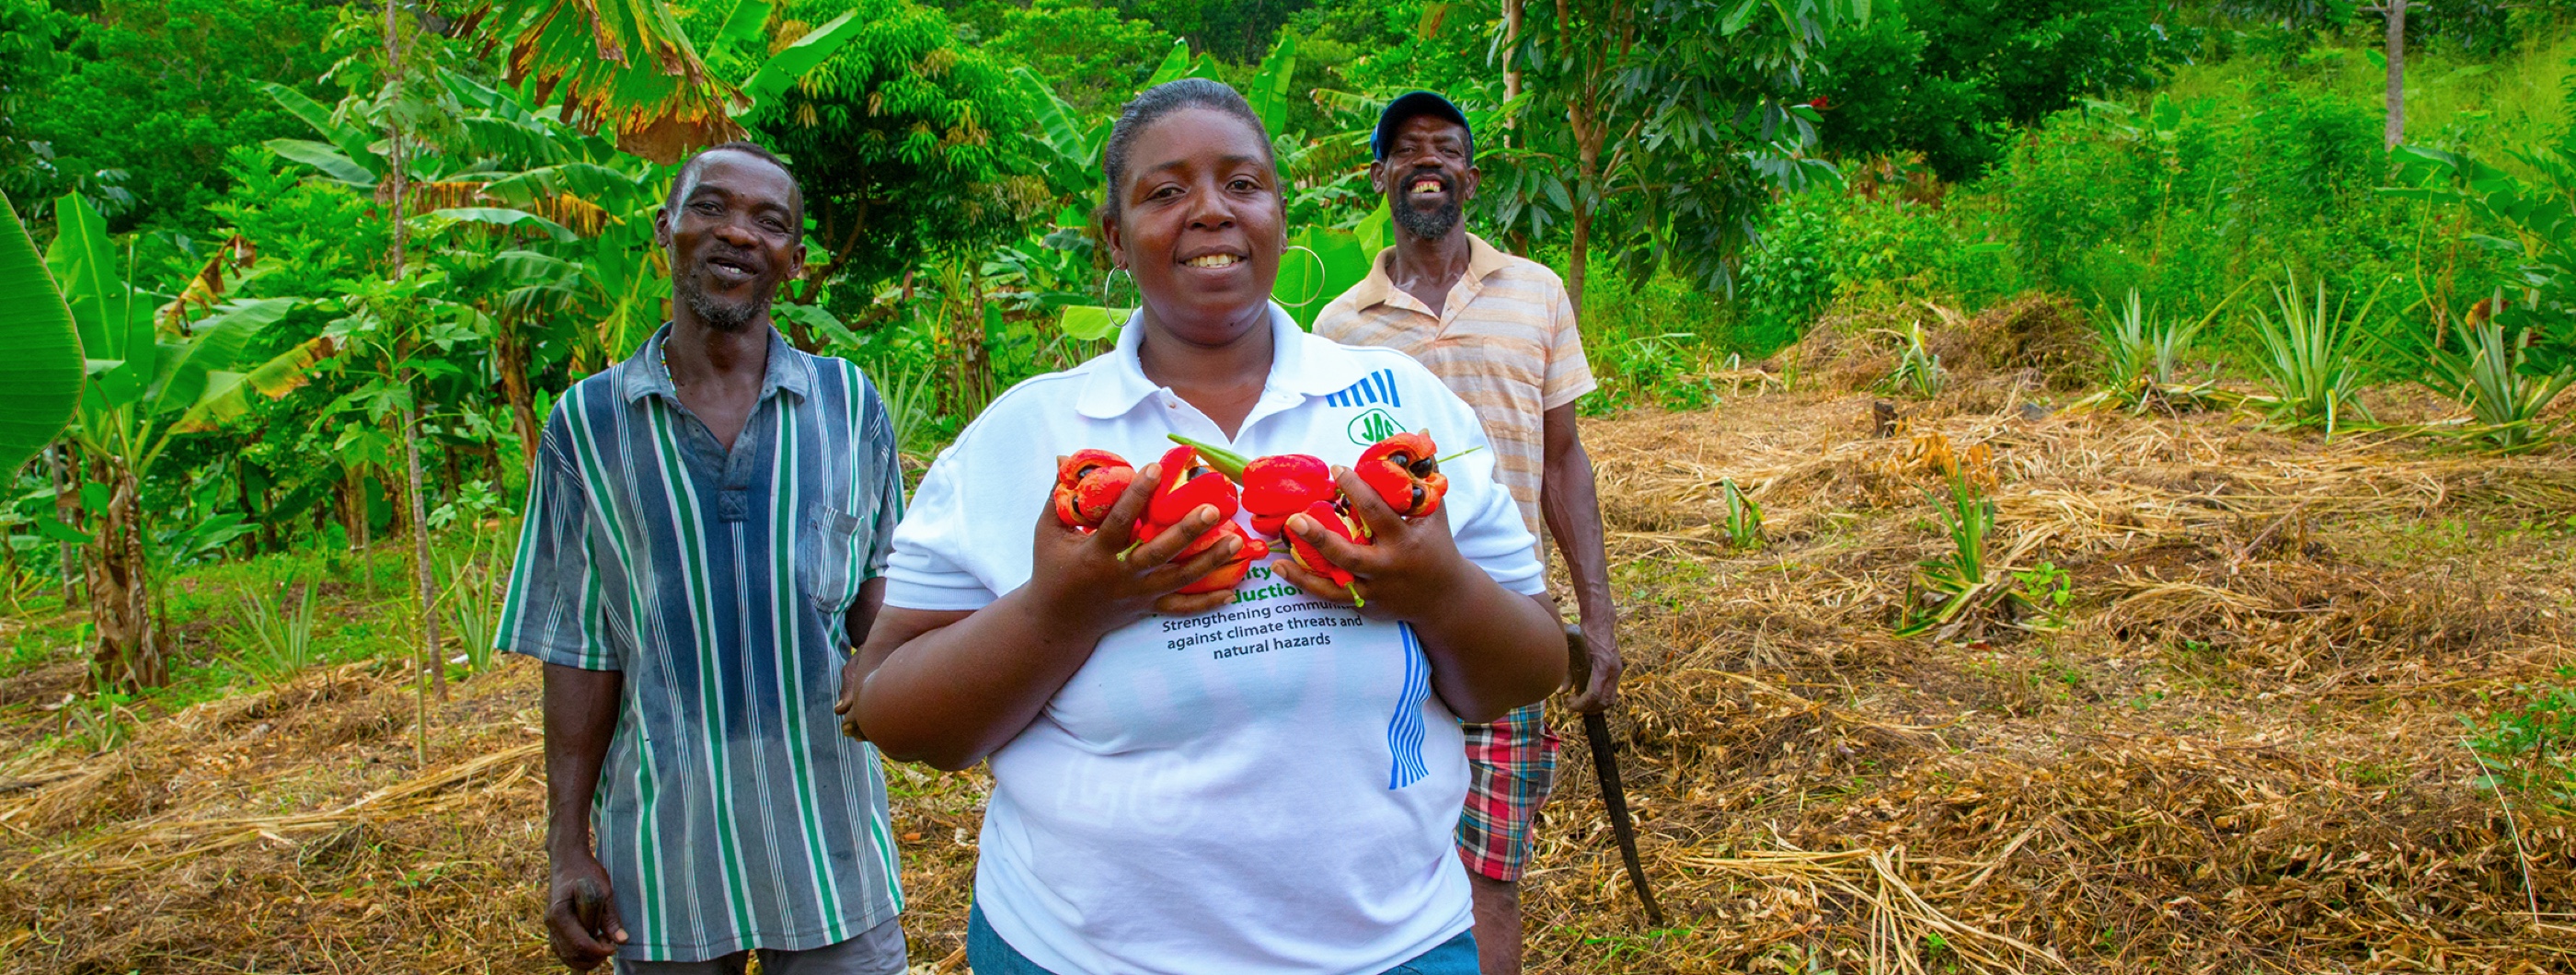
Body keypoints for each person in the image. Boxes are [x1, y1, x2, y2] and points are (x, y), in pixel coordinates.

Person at [834, 78, 1568, 975]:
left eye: (1243, 184)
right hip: (1078, 953)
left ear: (1281, 215)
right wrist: (1065, 608)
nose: (1212, 211)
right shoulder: (1025, 434)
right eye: (1166, 191)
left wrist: (1438, 588)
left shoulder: (1403, 409)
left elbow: (1525, 670)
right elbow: (897, 712)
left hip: (1390, 946)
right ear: (1113, 235)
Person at [498, 142, 911, 975]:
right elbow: (581, 653)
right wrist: (565, 848)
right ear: (667, 229)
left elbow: (884, 609)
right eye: (711, 208)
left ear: (794, 259)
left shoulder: (848, 406)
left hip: (832, 857)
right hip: (661, 868)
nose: (739, 234)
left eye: (770, 222)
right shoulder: (588, 426)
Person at [1311, 91, 1621, 975]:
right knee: (1379, 868)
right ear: (1381, 178)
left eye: (1445, 149)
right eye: (1406, 151)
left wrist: (1595, 616)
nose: (1427, 163)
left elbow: (1565, 461)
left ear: (1471, 178)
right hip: (1378, 634)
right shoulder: (1339, 330)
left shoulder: (1535, 293)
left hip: (1502, 626)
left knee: (1489, 878)